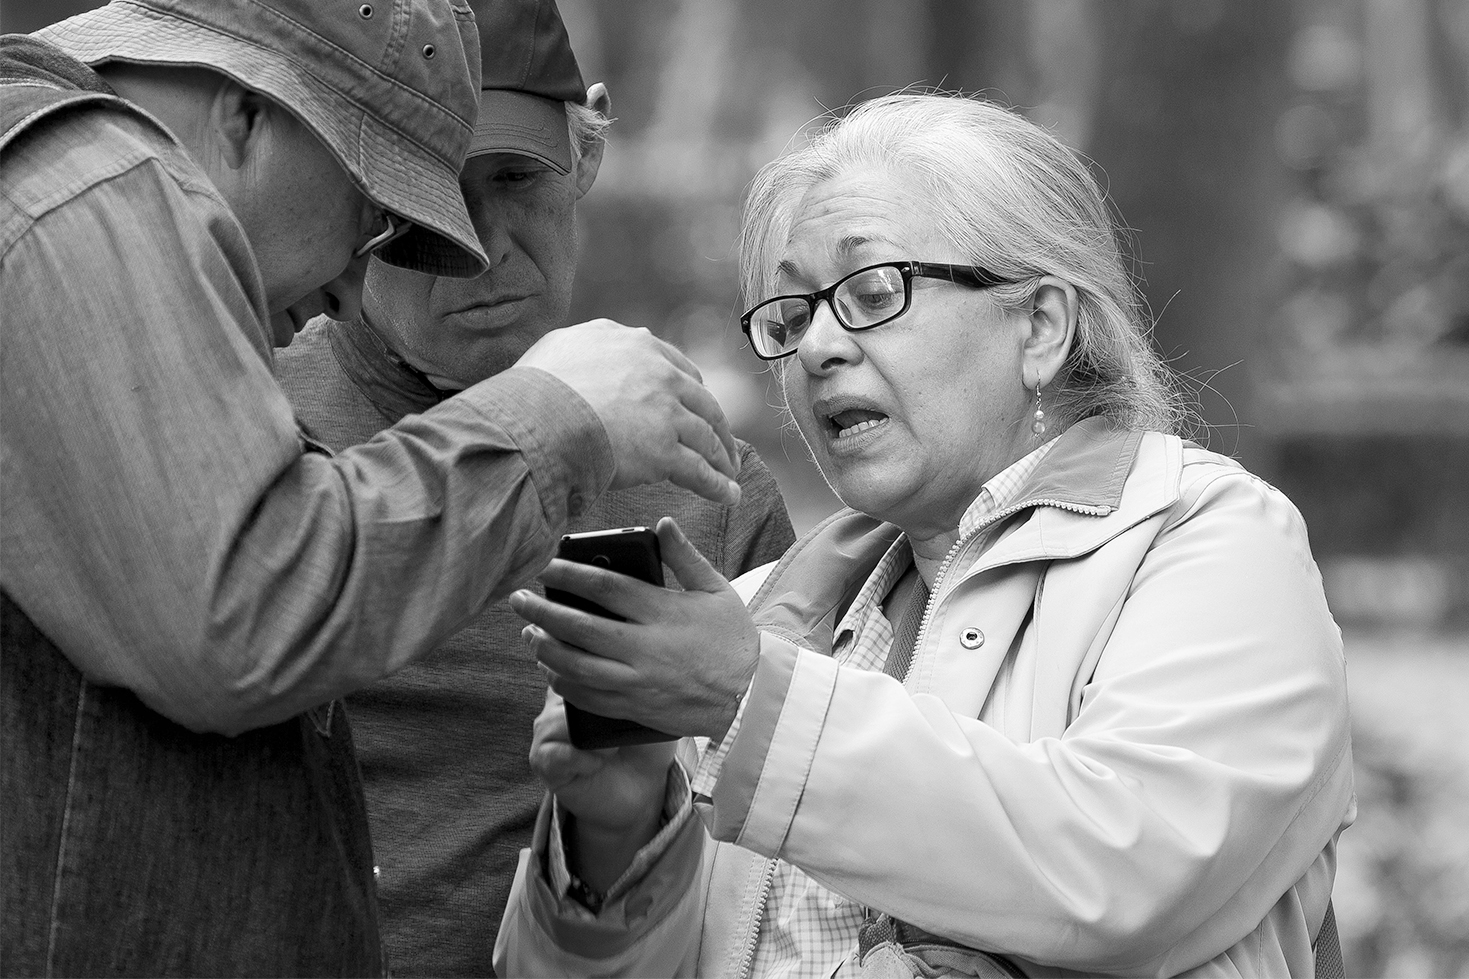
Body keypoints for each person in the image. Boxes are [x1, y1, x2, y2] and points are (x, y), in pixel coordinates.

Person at [496, 93, 1356, 978]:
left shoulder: (1208, 542)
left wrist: (751, 700)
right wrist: (615, 832)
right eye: (790, 317)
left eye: (871, 291)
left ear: (1041, 327)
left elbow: (1125, 868)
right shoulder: (753, 617)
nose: (816, 347)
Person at [0, 1, 743, 974]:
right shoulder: (88, 184)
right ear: (247, 112)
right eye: (374, 215)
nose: (345, 285)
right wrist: (557, 416)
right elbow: (246, 611)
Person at [273, 0, 796, 973]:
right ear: (341, 197)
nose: (478, 244)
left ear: (586, 146)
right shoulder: (257, 439)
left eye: (513, 177)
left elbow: (774, 865)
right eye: (418, 202)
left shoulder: (700, 481)